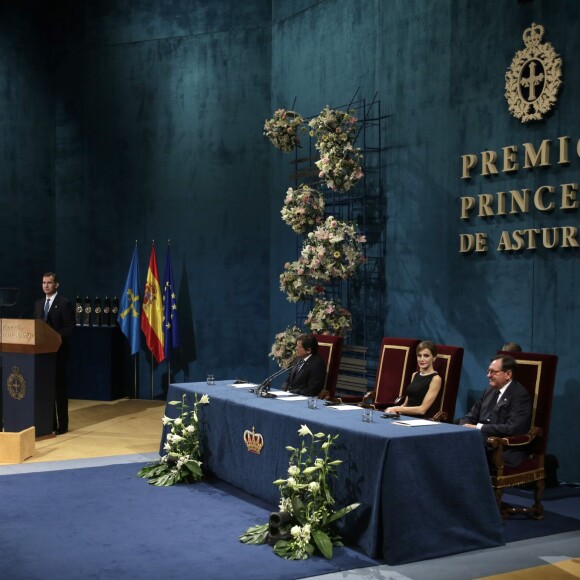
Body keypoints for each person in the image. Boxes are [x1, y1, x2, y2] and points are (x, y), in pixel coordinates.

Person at [459, 355, 531, 467]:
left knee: (466, 444)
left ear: (508, 374)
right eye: (488, 371)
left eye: (493, 372)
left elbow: (512, 428)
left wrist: (479, 427)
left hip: (502, 448)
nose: (488, 375)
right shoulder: (490, 390)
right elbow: (470, 416)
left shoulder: (520, 395)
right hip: (482, 440)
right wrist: (462, 426)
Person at [34, 272, 76, 434]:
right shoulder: (38, 304)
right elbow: (36, 327)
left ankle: (62, 426)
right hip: (41, 355)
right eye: (43, 282)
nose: (46, 286)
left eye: (49, 283)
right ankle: (48, 424)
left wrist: (55, 337)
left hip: (58, 353)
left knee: (59, 390)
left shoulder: (64, 303)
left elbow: (70, 327)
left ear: (56, 285)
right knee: (46, 390)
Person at [385, 340, 442, 417]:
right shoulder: (414, 375)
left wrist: (397, 408)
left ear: (434, 358)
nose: (422, 359)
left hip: (421, 420)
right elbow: (406, 404)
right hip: (406, 417)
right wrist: (393, 411)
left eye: (426, 356)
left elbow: (422, 410)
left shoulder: (436, 379)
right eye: (419, 355)